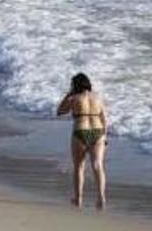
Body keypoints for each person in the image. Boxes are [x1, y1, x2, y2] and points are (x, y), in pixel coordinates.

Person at [56, 73, 108, 210]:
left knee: (79, 166)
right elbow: (104, 118)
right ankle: (101, 197)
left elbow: (60, 111)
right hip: (98, 131)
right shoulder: (97, 97)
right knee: (98, 165)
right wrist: (105, 136)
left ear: (76, 85)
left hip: (81, 131)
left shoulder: (74, 97)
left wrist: (68, 95)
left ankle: (78, 199)